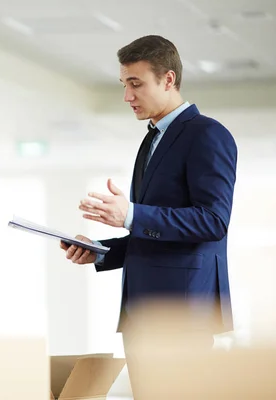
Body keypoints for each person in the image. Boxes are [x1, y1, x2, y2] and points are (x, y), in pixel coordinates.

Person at [60, 35, 237, 397]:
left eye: (136, 84)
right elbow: (153, 233)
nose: (127, 96)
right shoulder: (153, 138)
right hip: (143, 312)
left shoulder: (207, 135)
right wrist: (100, 250)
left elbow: (213, 221)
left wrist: (131, 215)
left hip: (180, 313)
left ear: (168, 80)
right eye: (124, 84)